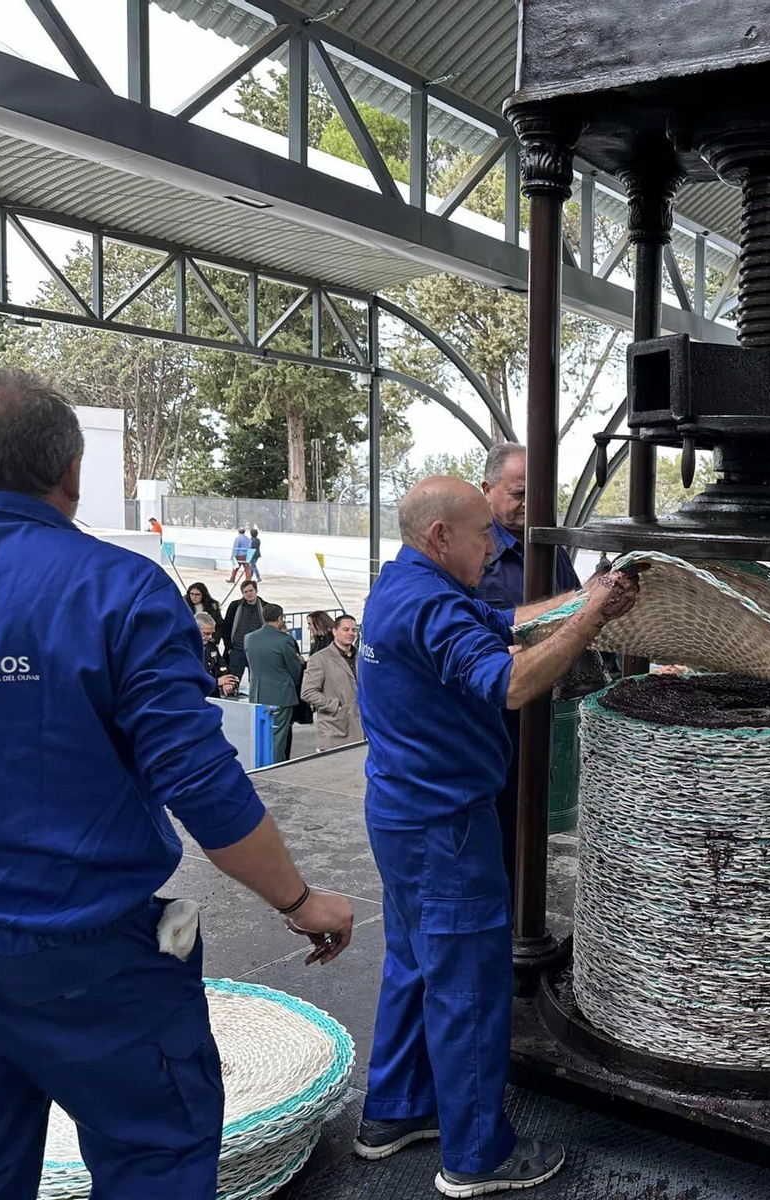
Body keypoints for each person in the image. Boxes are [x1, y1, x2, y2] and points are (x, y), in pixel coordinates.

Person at [0, 368, 354, 1197]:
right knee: (155, 1153)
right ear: (70, 477)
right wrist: (298, 901)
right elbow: (196, 775)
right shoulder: (117, 587)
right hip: (86, 953)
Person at [353, 475, 638, 1189]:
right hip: (445, 825)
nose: (500, 543)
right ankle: (478, 1156)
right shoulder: (428, 603)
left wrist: (588, 594)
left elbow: (506, 623)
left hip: (401, 814)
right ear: (441, 536)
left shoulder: (404, 584)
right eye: (487, 532)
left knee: (415, 965)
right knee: (469, 986)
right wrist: (591, 622)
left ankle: (395, 1109)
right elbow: (512, 681)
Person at [474, 443, 587, 881]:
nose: (530, 506)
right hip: (487, 722)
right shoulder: (474, 555)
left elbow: (576, 614)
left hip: (543, 719)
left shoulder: (552, 550)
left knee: (530, 827)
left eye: (538, 495)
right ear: (488, 489)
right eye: (520, 494)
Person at [245, 603, 304, 763]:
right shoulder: (284, 640)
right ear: (280, 619)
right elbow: (294, 669)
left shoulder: (249, 638)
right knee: (278, 738)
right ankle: (276, 770)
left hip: (257, 694)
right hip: (281, 695)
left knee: (260, 736)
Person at [302, 614, 362, 751]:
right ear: (335, 631)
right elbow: (308, 692)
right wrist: (335, 706)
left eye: (353, 630)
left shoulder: (361, 657)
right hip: (334, 730)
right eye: (346, 630)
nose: (351, 633)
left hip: (362, 729)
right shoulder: (319, 659)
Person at [222, 579, 266, 680]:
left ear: (256, 591)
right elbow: (226, 627)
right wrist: (229, 647)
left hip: (257, 650)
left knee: (256, 680)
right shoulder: (235, 606)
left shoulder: (265, 607)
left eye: (251, 591)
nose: (248, 594)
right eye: (245, 592)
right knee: (233, 679)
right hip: (237, 649)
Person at [186, 580, 225, 650]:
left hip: (207, 642)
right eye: (191, 594)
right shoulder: (184, 606)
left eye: (197, 594)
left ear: (203, 595)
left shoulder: (212, 606)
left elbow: (219, 625)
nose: (194, 597)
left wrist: (214, 639)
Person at [196, 612, 230, 681]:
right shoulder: (185, 649)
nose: (210, 637)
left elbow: (221, 665)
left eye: (212, 633)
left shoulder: (211, 645)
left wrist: (226, 682)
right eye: (207, 633)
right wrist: (216, 683)